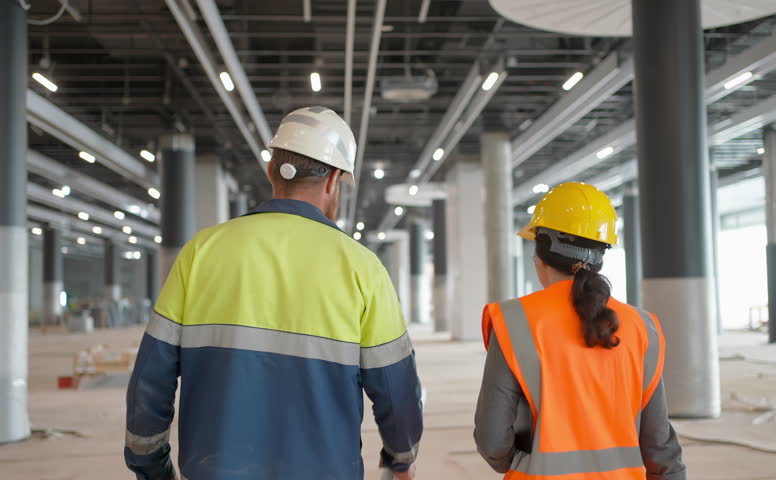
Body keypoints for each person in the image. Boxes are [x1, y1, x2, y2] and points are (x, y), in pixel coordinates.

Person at [125, 106, 422, 480]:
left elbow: (151, 379)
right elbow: (396, 388)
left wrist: (150, 465)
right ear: (333, 181)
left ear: (271, 172)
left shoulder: (201, 252)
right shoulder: (362, 267)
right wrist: (401, 457)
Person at [474, 182, 686, 480]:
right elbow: (659, 445)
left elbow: (492, 440)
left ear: (541, 253)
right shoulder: (642, 326)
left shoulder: (514, 321)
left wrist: (520, 463)